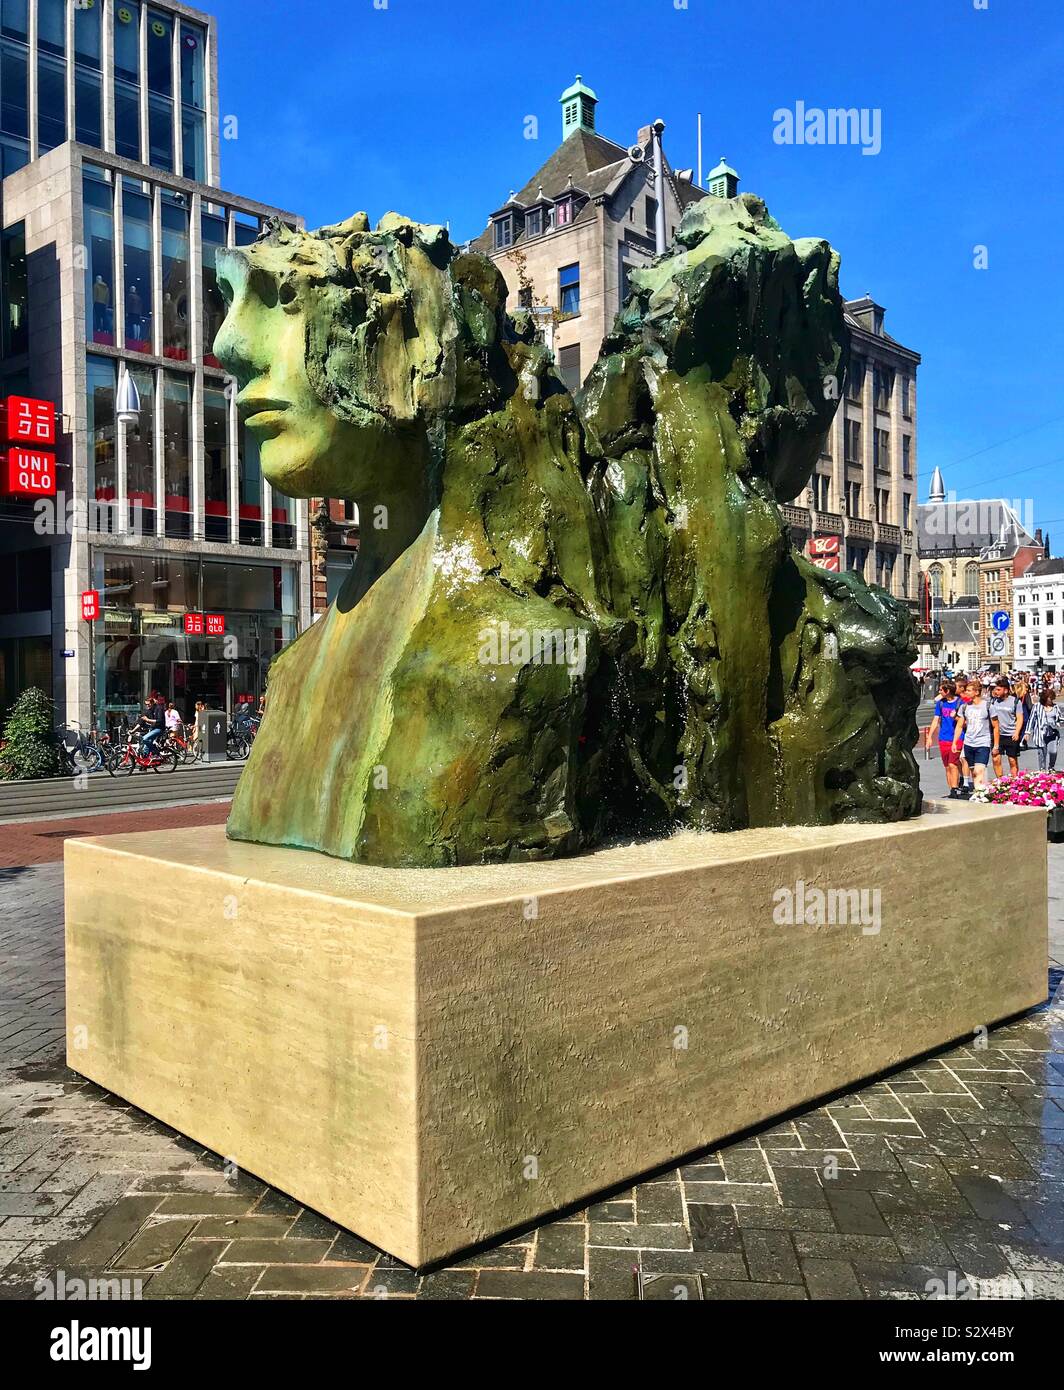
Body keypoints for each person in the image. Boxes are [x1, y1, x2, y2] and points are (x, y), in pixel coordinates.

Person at [925, 678, 963, 798]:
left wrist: (955, 716)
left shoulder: (960, 703)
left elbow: (965, 721)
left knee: (953, 764)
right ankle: (951, 788)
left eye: (941, 690)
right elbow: (936, 720)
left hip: (957, 737)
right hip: (943, 738)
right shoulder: (941, 703)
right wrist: (930, 736)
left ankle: (954, 788)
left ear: (947, 691)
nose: (939, 692)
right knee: (947, 766)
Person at [952, 679, 993, 792]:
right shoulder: (964, 707)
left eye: (969, 691)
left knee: (979, 771)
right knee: (974, 772)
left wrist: (996, 744)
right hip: (969, 743)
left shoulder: (987, 706)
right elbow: (959, 726)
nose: (966, 693)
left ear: (976, 692)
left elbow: (995, 726)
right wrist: (955, 742)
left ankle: (980, 795)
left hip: (983, 742)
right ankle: (981, 792)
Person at [988, 676, 1025, 779]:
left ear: (1006, 690)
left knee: (1012, 760)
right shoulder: (993, 701)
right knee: (995, 758)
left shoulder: (1015, 701)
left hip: (1010, 734)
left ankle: (1014, 780)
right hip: (997, 735)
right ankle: (1000, 781)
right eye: (995, 689)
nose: (996, 691)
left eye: (999, 689)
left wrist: (1017, 732)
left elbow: (1019, 718)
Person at [1026, 688, 1061, 771]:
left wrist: (1058, 723)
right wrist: (1027, 732)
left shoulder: (1055, 706)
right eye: (1050, 698)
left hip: (1052, 733)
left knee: (1053, 751)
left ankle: (1051, 767)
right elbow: (1031, 719)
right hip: (1040, 734)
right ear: (1045, 698)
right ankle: (1042, 770)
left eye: (1052, 698)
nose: (1051, 700)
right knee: (1042, 753)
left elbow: (1060, 718)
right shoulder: (1037, 706)